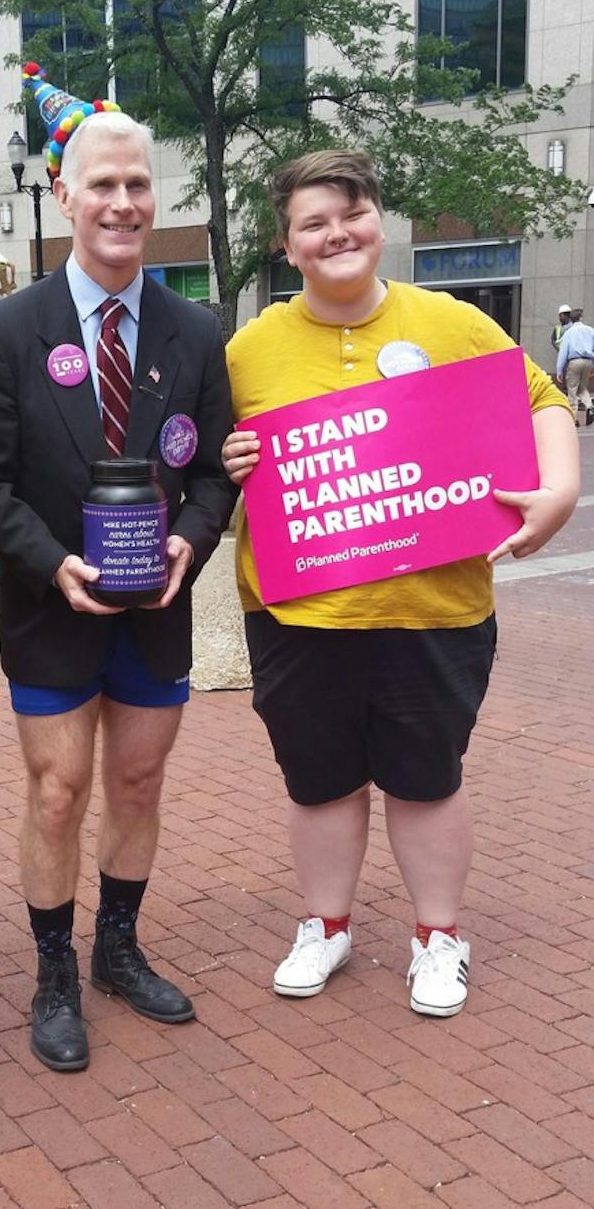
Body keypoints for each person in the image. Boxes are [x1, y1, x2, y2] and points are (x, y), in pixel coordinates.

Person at [223, 150, 577, 1019]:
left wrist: (561, 491)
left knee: (427, 778)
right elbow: (202, 459)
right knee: (319, 781)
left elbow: (542, 401)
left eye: (353, 212)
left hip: (435, 608)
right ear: (287, 243)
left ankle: (438, 937)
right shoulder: (247, 350)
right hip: (300, 613)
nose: (337, 232)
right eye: (314, 222)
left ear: (379, 221)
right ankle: (327, 925)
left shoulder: (452, 323)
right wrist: (231, 463)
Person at [0, 67, 234, 1072]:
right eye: (101, 185)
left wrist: (188, 544)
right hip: (51, 603)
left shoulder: (196, 331)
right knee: (58, 791)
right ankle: (52, 971)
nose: (122, 203)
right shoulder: (0, 332)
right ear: (63, 195)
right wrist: (50, 561)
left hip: (153, 606)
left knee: (140, 778)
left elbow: (212, 473)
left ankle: (116, 948)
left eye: (138, 185)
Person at [557, 307, 594, 426]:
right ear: (581, 318)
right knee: (582, 388)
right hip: (588, 361)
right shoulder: (590, 330)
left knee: (572, 389)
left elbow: (563, 352)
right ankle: (590, 407)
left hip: (574, 361)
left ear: (571, 320)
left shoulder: (569, 333)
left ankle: (573, 417)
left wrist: (559, 370)